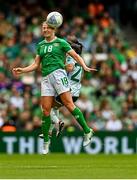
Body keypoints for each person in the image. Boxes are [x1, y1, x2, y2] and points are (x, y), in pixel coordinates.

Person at [12, 20, 97, 155]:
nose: (45, 30)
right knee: (46, 110)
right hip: (45, 78)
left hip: (59, 76)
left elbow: (75, 56)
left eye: (47, 28)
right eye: (43, 27)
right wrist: (23, 70)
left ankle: (86, 130)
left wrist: (85, 66)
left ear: (53, 30)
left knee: (69, 105)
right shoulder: (40, 45)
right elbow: (35, 64)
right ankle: (46, 141)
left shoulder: (61, 43)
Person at [39, 35, 84, 138]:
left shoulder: (71, 56)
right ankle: (50, 131)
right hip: (76, 90)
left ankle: (58, 123)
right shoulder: (80, 60)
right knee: (53, 107)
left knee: (45, 107)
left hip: (68, 89)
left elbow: (69, 67)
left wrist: (58, 67)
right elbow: (80, 76)